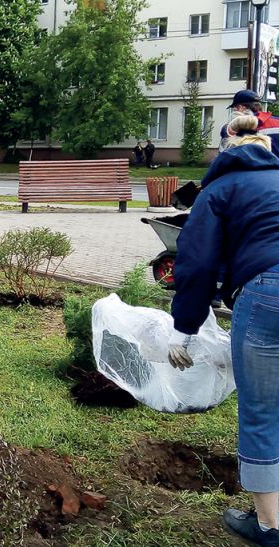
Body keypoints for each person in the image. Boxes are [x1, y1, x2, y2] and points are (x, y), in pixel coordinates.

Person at [169, 114, 279, 546]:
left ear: (223, 155)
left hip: (268, 294)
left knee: (263, 412)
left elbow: (194, 264)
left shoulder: (219, 189)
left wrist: (185, 328)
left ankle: (270, 526)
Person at [220, 89, 279, 156]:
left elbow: (224, 156)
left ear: (240, 108)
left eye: (234, 109)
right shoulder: (277, 121)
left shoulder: (232, 129)